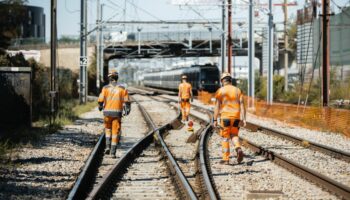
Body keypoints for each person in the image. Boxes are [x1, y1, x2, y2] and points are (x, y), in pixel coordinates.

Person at [212, 72, 246, 165]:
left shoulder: (220, 91)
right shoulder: (237, 90)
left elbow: (217, 107)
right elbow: (242, 105)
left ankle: (226, 159)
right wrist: (243, 119)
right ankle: (238, 148)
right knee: (234, 135)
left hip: (225, 117)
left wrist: (214, 120)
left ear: (222, 81)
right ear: (231, 80)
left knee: (225, 138)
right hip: (236, 117)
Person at [98, 70, 131, 158]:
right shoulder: (122, 88)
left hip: (107, 113)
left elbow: (100, 100)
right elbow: (127, 101)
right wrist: (127, 109)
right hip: (117, 114)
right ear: (117, 78)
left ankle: (107, 146)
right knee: (115, 132)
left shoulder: (105, 88)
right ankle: (113, 152)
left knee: (108, 130)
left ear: (109, 78)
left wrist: (100, 106)